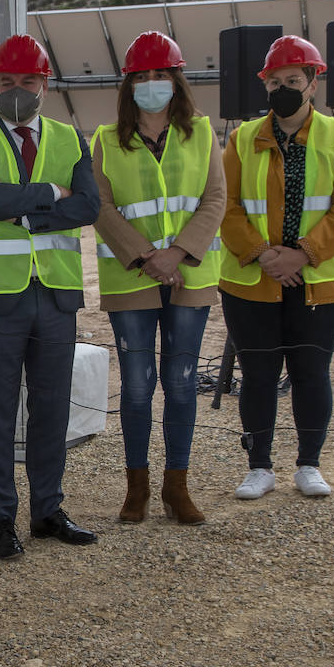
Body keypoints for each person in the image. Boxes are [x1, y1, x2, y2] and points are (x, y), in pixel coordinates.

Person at [0, 33, 102, 561]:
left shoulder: (70, 138)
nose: (18, 90)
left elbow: (88, 207)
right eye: (8, 81)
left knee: (52, 409)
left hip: (55, 294)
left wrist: (22, 209)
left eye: (29, 81)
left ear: (45, 85)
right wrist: (52, 195)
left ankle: (47, 511)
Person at [218, 35, 334, 500]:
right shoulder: (242, 138)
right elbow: (226, 206)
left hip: (320, 281)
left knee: (310, 371)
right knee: (258, 374)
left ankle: (309, 464)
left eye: (294, 80)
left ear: (312, 84)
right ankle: (259, 467)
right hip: (252, 280)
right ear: (265, 85)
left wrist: (302, 254)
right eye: (275, 81)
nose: (284, 87)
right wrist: (266, 256)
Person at [90, 32, 225, 525]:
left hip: (189, 274)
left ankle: (177, 487)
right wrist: (147, 256)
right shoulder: (105, 141)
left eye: (160, 75)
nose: (152, 84)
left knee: (183, 382)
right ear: (129, 86)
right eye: (142, 77)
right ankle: (137, 489)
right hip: (132, 279)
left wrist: (177, 254)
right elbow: (100, 207)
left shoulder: (204, 134)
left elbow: (215, 199)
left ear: (176, 80)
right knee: (137, 387)